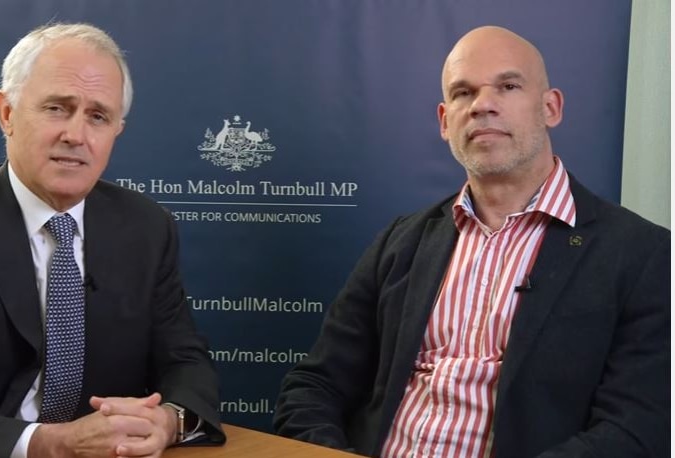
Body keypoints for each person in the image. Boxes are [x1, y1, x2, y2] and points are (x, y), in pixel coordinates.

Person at [274, 25, 669, 457]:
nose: (482, 105)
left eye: (509, 85)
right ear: (445, 122)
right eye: (463, 93)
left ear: (551, 107)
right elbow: (314, 386)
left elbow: (636, 430)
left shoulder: (643, 255)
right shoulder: (400, 242)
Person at [0, 23, 225, 457]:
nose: (76, 135)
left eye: (98, 116)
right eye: (57, 108)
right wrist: (52, 444)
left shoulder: (147, 227)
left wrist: (168, 421)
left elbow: (185, 362)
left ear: (116, 132)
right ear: (7, 113)